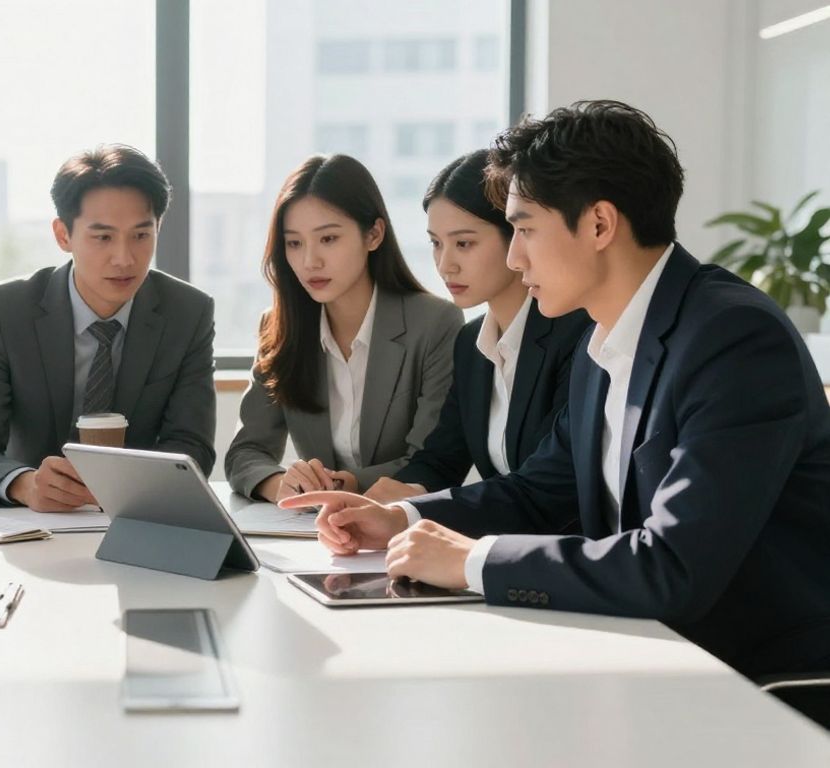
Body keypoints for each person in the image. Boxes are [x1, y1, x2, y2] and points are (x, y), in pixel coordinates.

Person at [287, 101, 830, 684]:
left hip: (758, 681)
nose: (515, 258)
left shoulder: (732, 339)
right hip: (647, 654)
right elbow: (542, 490)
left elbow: (673, 567)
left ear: (598, 224)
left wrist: (471, 561)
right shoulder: (604, 337)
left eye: (523, 229)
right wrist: (399, 517)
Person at [0, 144, 216, 512]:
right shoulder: (4, 311)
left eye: (141, 235)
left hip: (135, 516)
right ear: (63, 235)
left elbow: (192, 444)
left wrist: (127, 489)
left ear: (159, 228)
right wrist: (24, 484)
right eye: (102, 237)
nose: (124, 258)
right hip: (28, 521)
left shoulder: (188, 312)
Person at [224, 154, 463, 503]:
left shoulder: (435, 324)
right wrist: (282, 484)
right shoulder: (278, 326)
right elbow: (245, 452)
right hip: (312, 530)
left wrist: (342, 485)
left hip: (399, 525)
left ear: (374, 234)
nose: (310, 261)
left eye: (328, 239)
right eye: (294, 243)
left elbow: (431, 462)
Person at [365, 150, 591, 503]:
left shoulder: (576, 333)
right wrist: (396, 495)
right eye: (436, 244)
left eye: (464, 244)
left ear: (516, 235)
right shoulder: (472, 342)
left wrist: (415, 514)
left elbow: (551, 484)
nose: (445, 265)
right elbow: (442, 459)